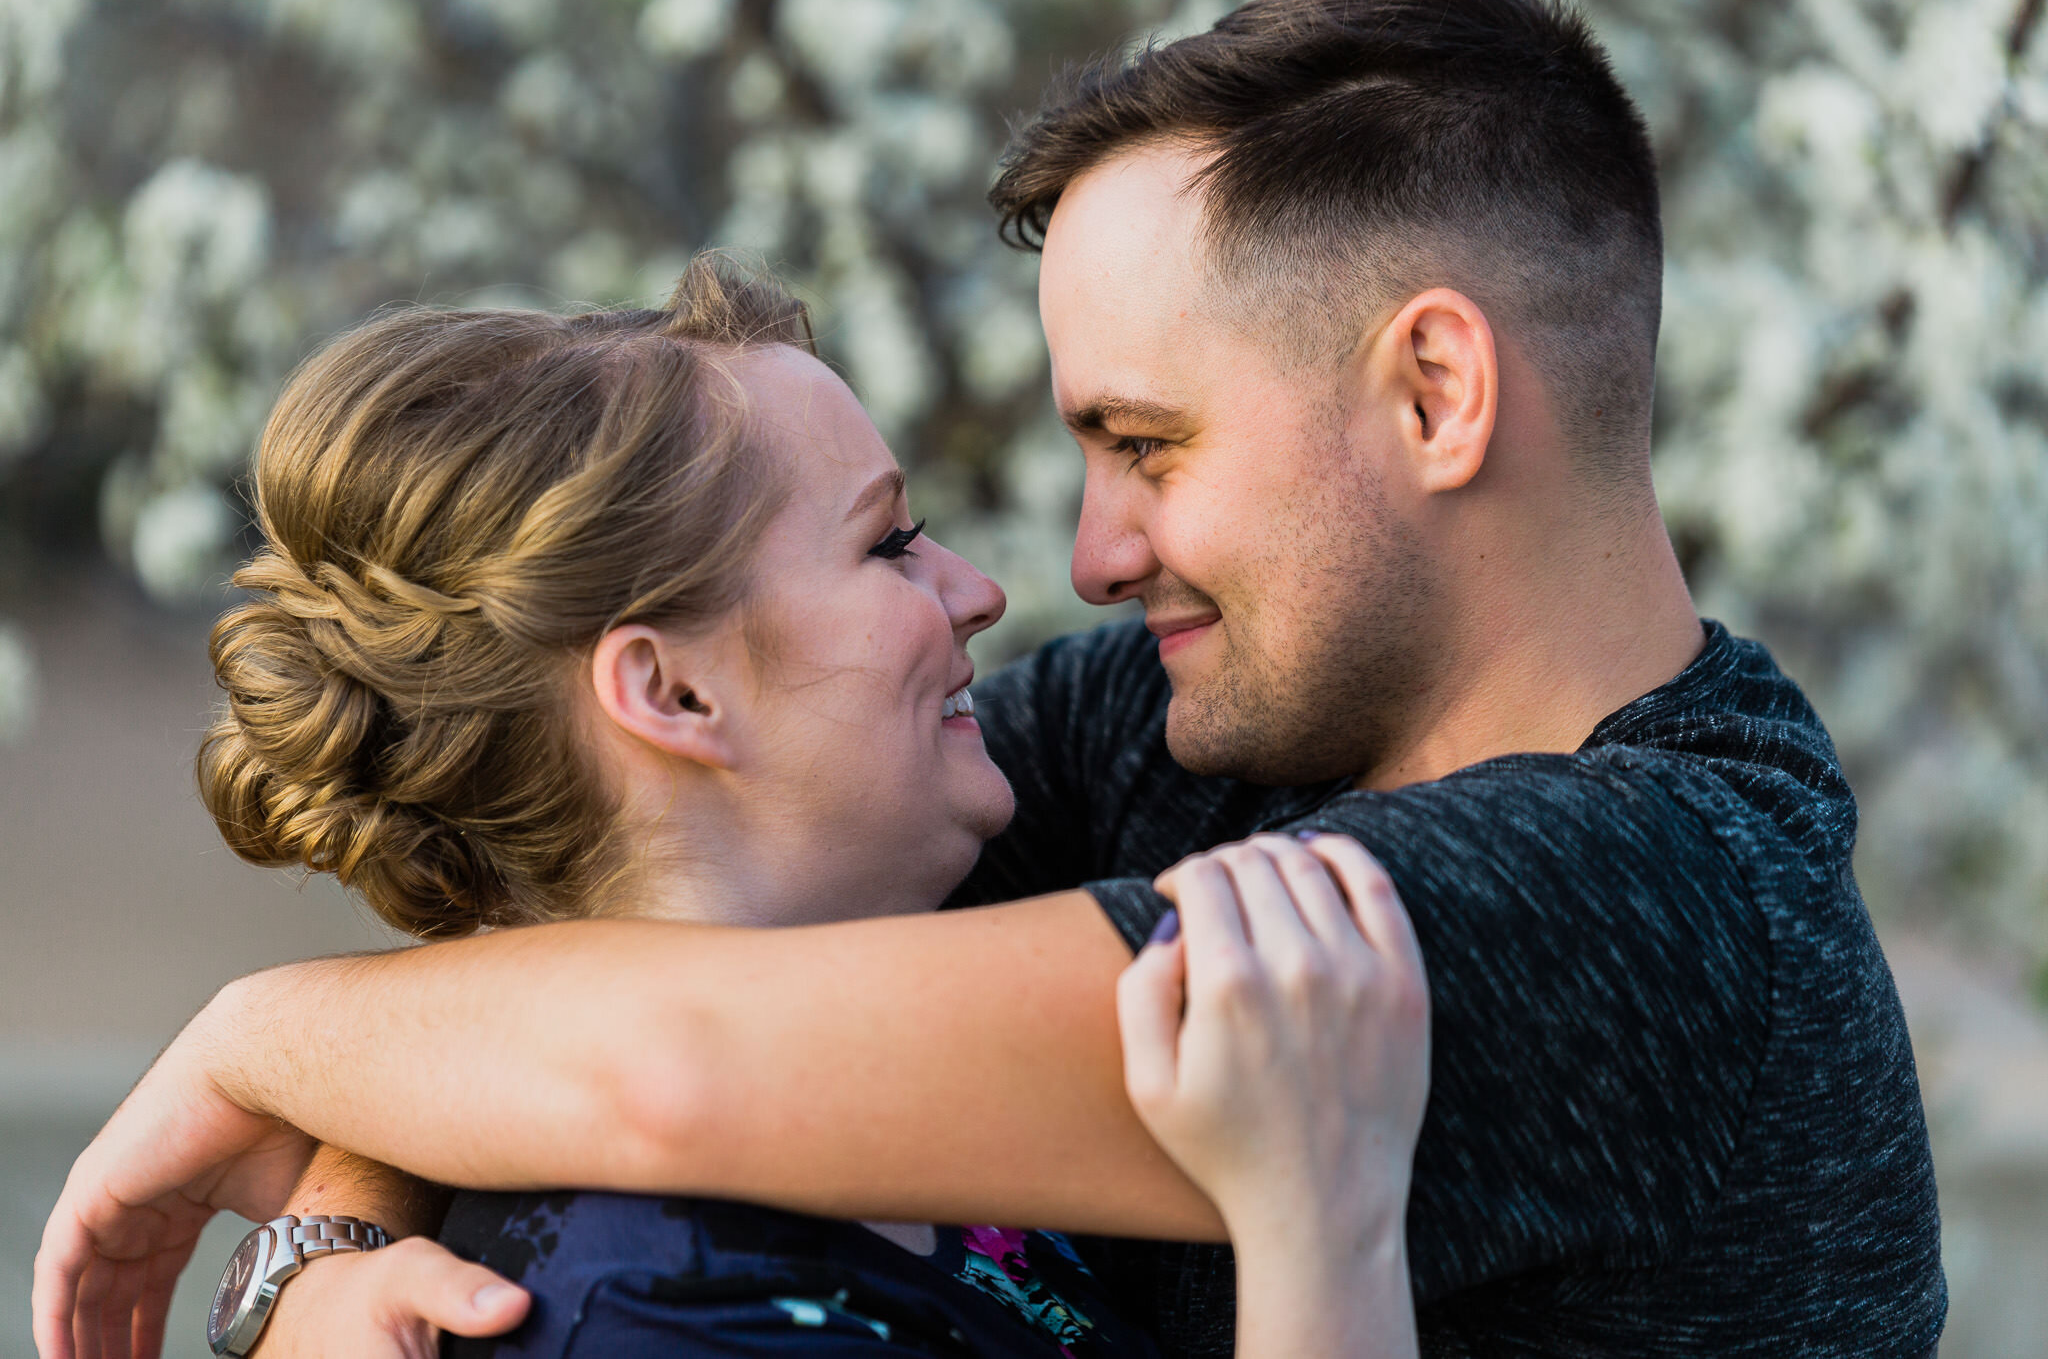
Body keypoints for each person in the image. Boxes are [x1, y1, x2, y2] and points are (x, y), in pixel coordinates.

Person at [37, 0, 1945, 1355]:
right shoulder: (1200, 730)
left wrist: (257, 1035)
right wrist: (323, 1252)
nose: (1087, 557)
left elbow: (675, 1068)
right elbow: (662, 896)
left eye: (1151, 443)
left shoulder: (1650, 906)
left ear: (1436, 394)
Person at [44, 258, 1429, 1359]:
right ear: (674, 691)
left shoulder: (864, 1083)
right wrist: (1328, 1240)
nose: (981, 588)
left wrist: (288, 1102)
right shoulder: (660, 1315)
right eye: (886, 541)